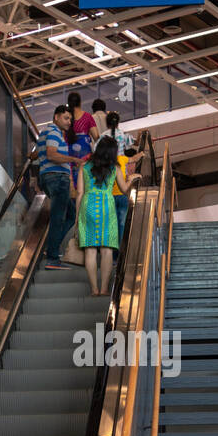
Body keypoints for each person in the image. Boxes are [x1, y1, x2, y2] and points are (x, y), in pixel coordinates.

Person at [76, 137, 133, 296]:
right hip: (107, 206)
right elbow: (124, 190)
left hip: (88, 206)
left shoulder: (85, 167)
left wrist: (77, 217)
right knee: (107, 249)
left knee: (90, 250)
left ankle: (94, 289)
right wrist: (132, 179)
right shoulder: (115, 168)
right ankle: (104, 288)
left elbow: (80, 193)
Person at [39, 105, 78, 269]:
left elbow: (38, 153)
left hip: (48, 177)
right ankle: (53, 258)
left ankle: (50, 249)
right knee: (59, 218)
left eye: (70, 119)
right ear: (56, 117)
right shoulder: (54, 131)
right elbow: (51, 154)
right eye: (66, 118)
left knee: (70, 214)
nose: (69, 122)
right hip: (57, 178)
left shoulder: (45, 132)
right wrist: (74, 160)